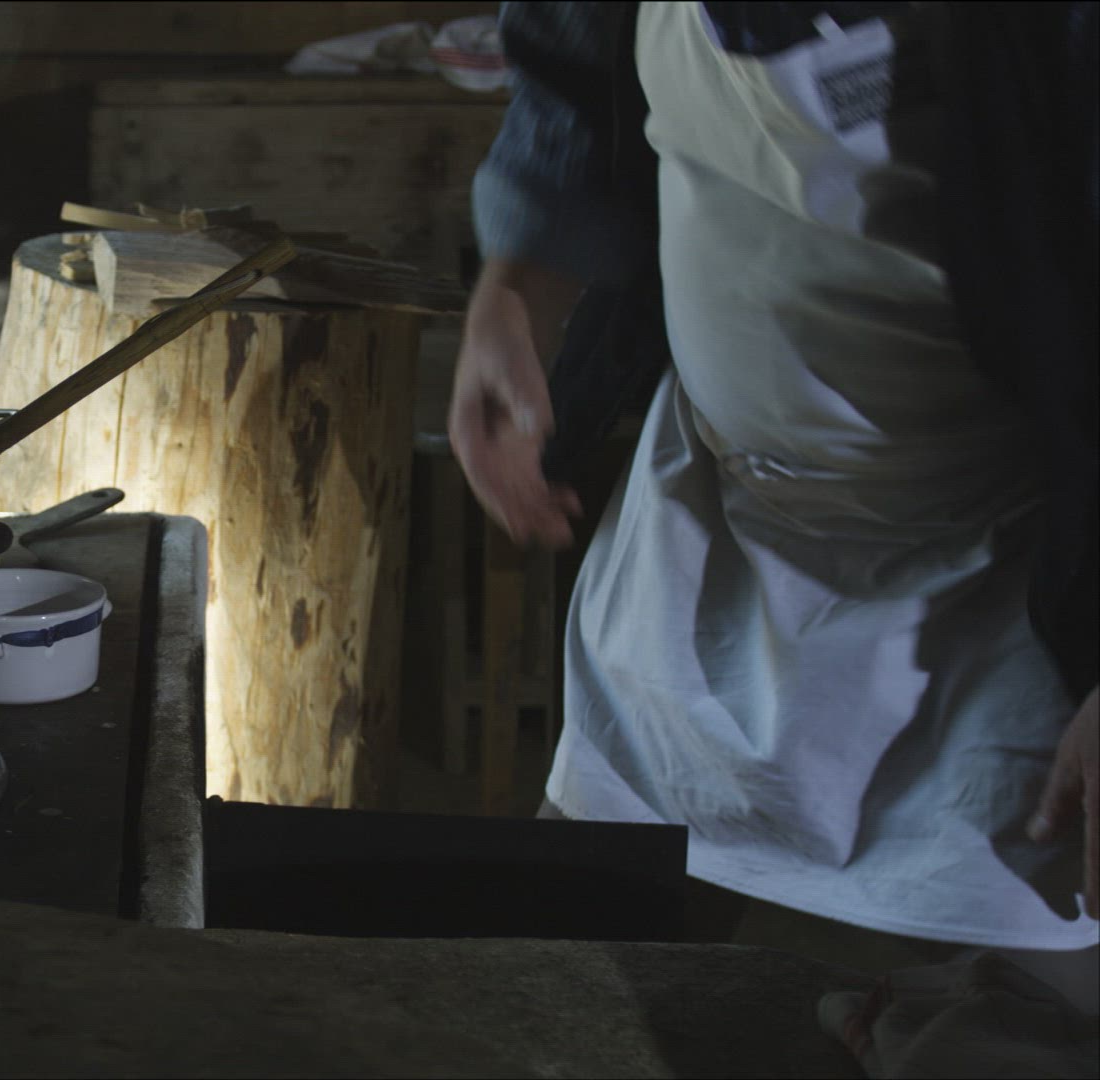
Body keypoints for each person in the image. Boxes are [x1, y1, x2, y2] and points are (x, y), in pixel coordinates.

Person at [448, 0, 1098, 1008]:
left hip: (1003, 582)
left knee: (1038, 1008)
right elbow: (572, 68)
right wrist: (517, 288)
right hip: (712, 531)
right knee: (557, 987)